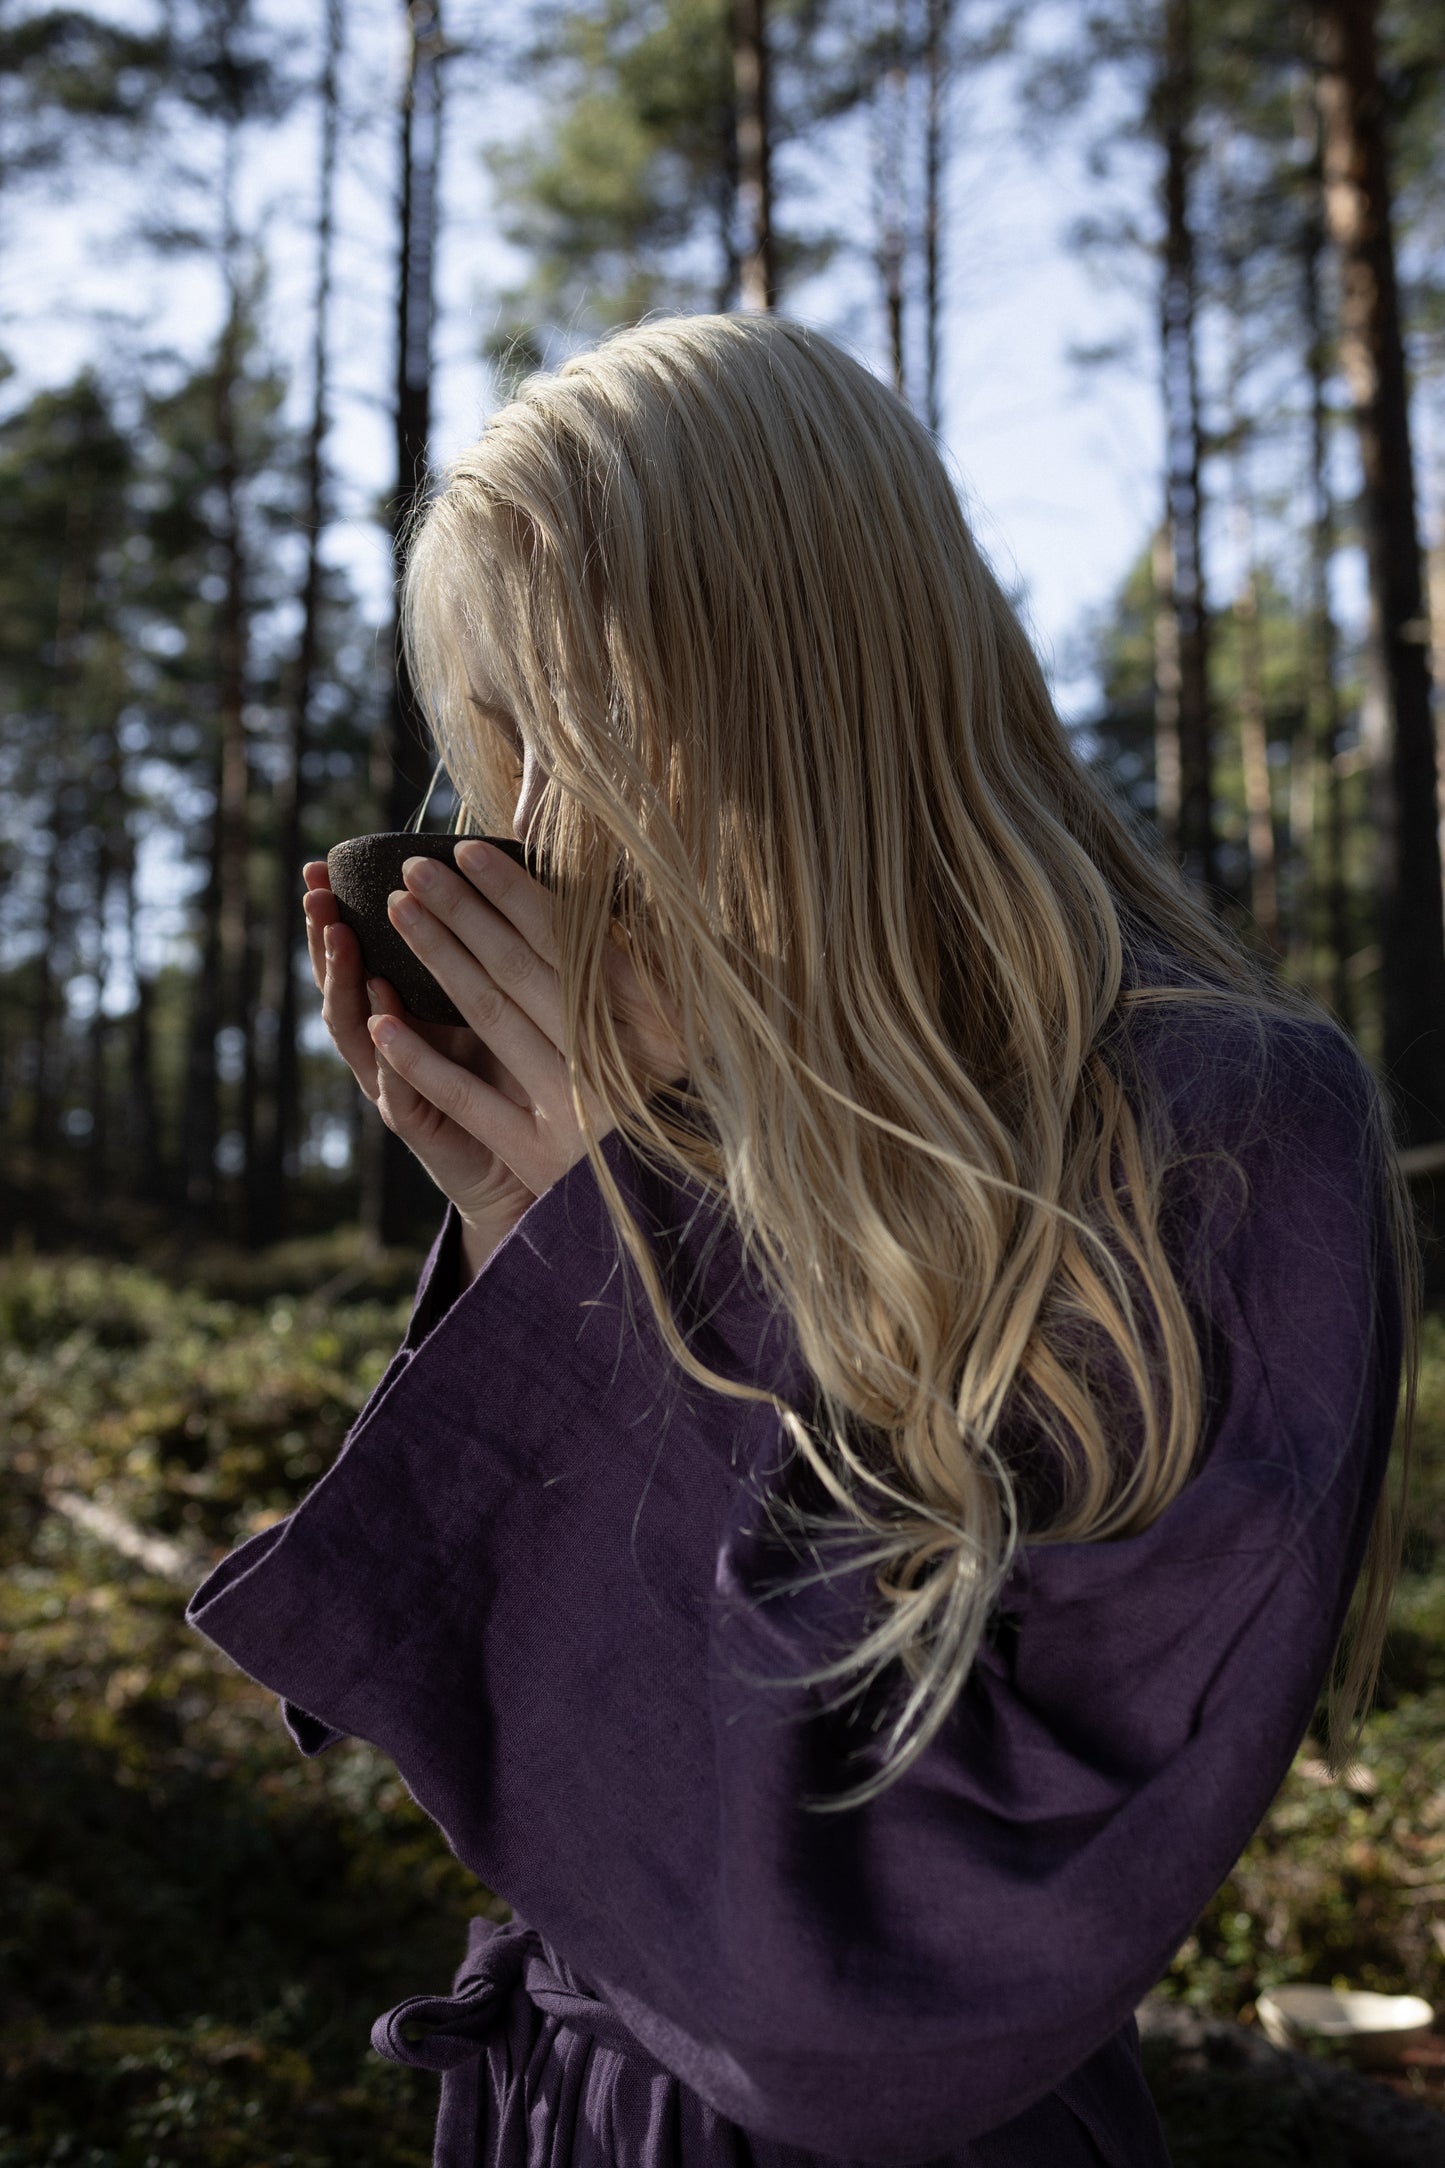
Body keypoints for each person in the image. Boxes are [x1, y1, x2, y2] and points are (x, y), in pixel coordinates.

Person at [186, 313, 1418, 2168]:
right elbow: (602, 1785)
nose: (519, 831)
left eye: (560, 731)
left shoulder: (1224, 1137)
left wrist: (621, 1275)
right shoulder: (676, 1119)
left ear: (787, 677)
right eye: (483, 754)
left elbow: (904, 1965)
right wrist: (546, 1225)